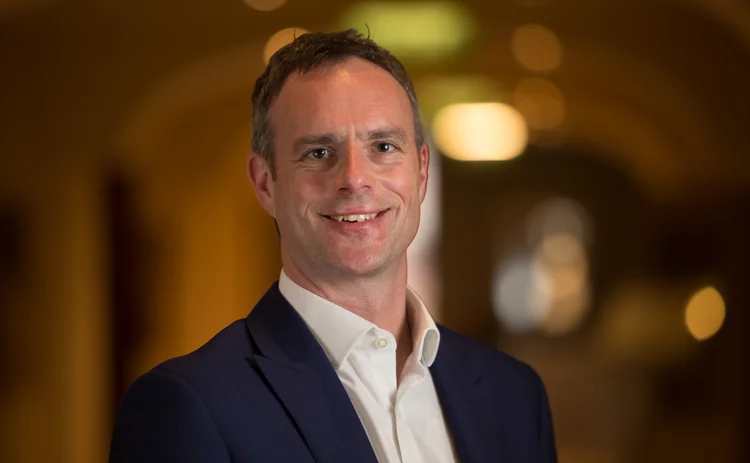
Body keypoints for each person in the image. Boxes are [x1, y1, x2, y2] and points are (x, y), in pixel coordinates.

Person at [109, 29, 557, 463]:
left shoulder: (515, 395)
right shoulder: (188, 405)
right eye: (318, 153)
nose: (355, 179)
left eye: (384, 146)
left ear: (421, 172)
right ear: (265, 183)